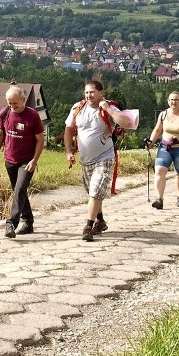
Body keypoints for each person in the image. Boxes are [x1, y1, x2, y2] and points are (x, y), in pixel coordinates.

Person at [64, 80, 135, 242]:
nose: (89, 95)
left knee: (96, 191)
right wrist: (69, 151)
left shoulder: (108, 107)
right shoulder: (78, 108)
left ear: (101, 93)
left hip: (105, 157)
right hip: (85, 159)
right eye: (87, 92)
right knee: (93, 193)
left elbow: (127, 123)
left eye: (92, 92)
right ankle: (100, 221)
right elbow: (68, 129)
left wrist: (108, 109)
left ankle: (88, 226)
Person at [0, 85, 45, 239]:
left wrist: (34, 160)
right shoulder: (5, 113)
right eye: (9, 103)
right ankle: (28, 222)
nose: (12, 106)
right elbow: (0, 133)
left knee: (19, 189)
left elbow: (40, 140)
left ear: (23, 100)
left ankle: (11, 223)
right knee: (19, 192)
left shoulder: (32, 116)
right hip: (10, 160)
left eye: (15, 103)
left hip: (27, 161)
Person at [146, 91, 179, 210]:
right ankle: (159, 199)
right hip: (165, 147)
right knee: (159, 171)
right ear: (168, 101)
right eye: (171, 100)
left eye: (176, 100)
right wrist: (150, 142)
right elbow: (157, 130)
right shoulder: (163, 114)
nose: (173, 102)